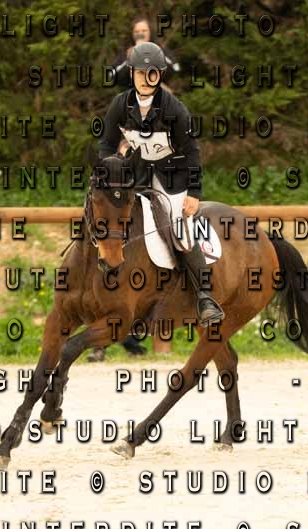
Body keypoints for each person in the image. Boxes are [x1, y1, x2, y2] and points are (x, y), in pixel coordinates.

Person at [88, 42, 223, 362]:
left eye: (152, 73)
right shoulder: (121, 104)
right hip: (135, 178)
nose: (146, 78)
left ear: (159, 75)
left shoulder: (174, 109)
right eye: (140, 72)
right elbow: (106, 144)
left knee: (180, 231)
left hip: (172, 180)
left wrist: (194, 193)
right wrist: (112, 170)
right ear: (132, 74)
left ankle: (204, 298)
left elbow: (192, 152)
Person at [109, 17, 181, 90]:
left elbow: (176, 68)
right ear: (132, 34)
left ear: (150, 32)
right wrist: (130, 60)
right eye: (136, 32)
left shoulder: (160, 50)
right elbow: (111, 75)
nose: (140, 34)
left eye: (144, 31)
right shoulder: (127, 53)